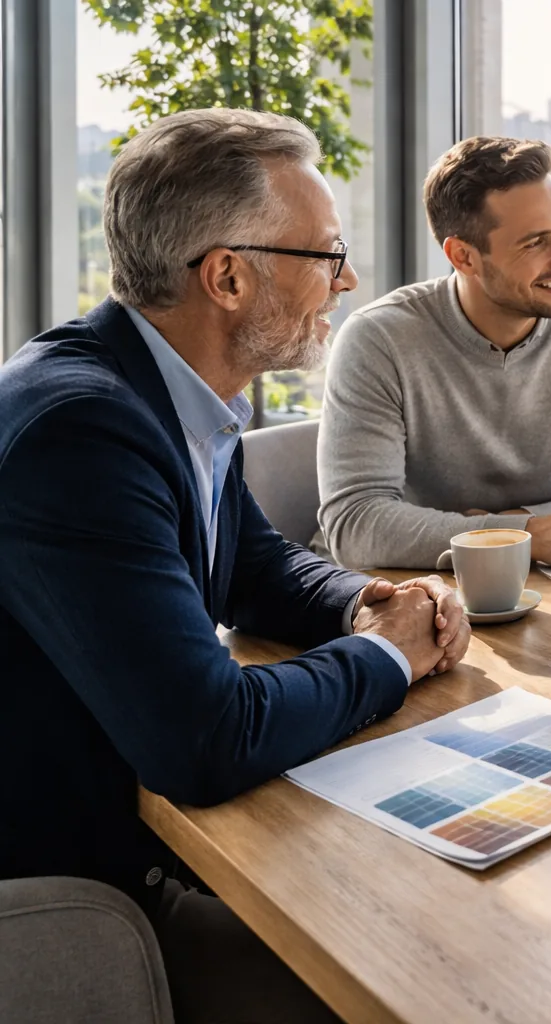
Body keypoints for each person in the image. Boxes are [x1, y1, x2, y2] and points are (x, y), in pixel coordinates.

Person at [0, 109, 471, 1023]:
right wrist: (391, 654)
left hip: (136, 846)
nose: (348, 280)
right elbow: (206, 740)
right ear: (226, 276)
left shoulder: (160, 390)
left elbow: (252, 564)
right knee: (426, 974)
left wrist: (367, 600)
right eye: (327, 255)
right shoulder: (82, 433)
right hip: (72, 906)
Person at [317, 136, 551, 571]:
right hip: (407, 585)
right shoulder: (378, 339)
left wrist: (523, 527)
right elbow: (356, 525)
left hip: (536, 579)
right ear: (463, 257)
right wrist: (526, 536)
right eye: (535, 242)